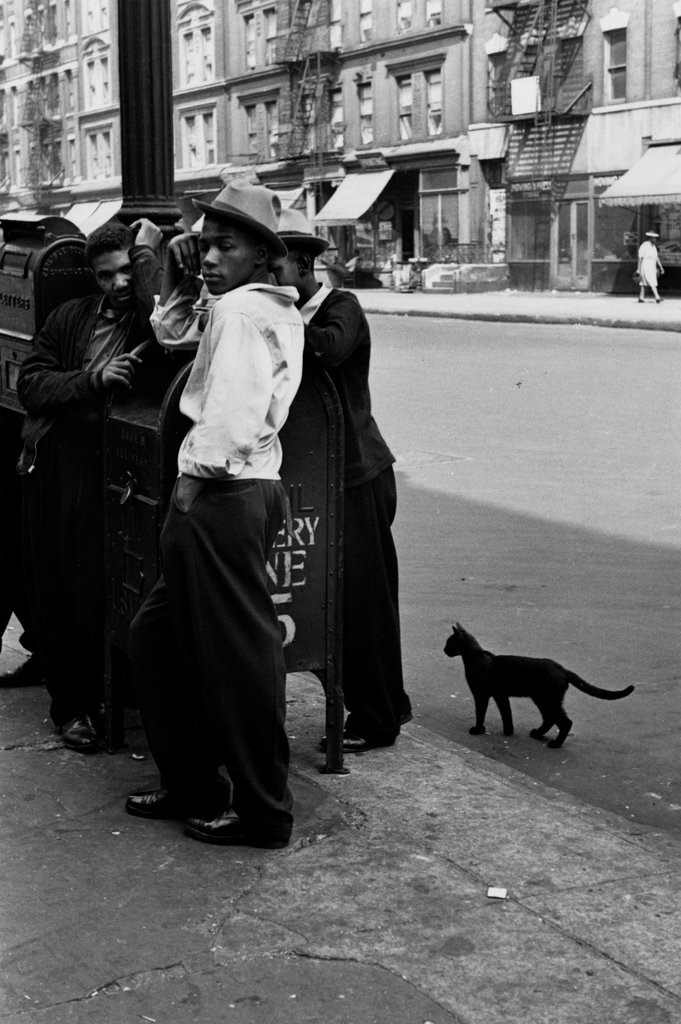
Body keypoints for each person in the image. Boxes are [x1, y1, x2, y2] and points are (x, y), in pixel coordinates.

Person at [125, 182, 304, 850]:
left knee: (237, 660)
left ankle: (263, 812)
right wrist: (181, 279)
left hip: (222, 492)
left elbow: (229, 414)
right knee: (156, 640)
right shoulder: (250, 307)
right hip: (234, 493)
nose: (209, 255)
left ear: (261, 254)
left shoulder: (240, 314)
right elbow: (169, 330)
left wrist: (190, 485)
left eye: (226, 245)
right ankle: (194, 783)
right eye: (205, 243)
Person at [16, 218, 163, 752]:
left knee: (119, 588)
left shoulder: (152, 321)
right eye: (105, 277)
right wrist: (92, 381)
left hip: (122, 469)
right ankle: (72, 705)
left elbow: (161, 319)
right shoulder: (70, 316)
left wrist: (148, 264)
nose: (118, 285)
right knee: (65, 590)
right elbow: (30, 382)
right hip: (61, 465)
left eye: (127, 271)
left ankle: (117, 691)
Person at [268, 208, 412, 753]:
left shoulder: (341, 307)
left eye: (277, 270)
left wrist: (275, 316)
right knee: (338, 596)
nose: (271, 283)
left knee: (366, 598)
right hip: (325, 475)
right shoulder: (292, 310)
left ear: (304, 266)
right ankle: (380, 702)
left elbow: (328, 348)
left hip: (359, 473)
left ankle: (378, 717)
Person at [637, 231, 664, 303]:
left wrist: (660, 267)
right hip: (645, 266)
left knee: (644, 283)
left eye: (655, 238)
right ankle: (657, 297)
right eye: (653, 238)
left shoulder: (653, 247)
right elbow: (640, 258)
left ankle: (641, 298)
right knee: (652, 282)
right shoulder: (644, 246)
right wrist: (638, 269)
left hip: (652, 267)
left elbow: (656, 257)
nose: (655, 239)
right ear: (650, 238)